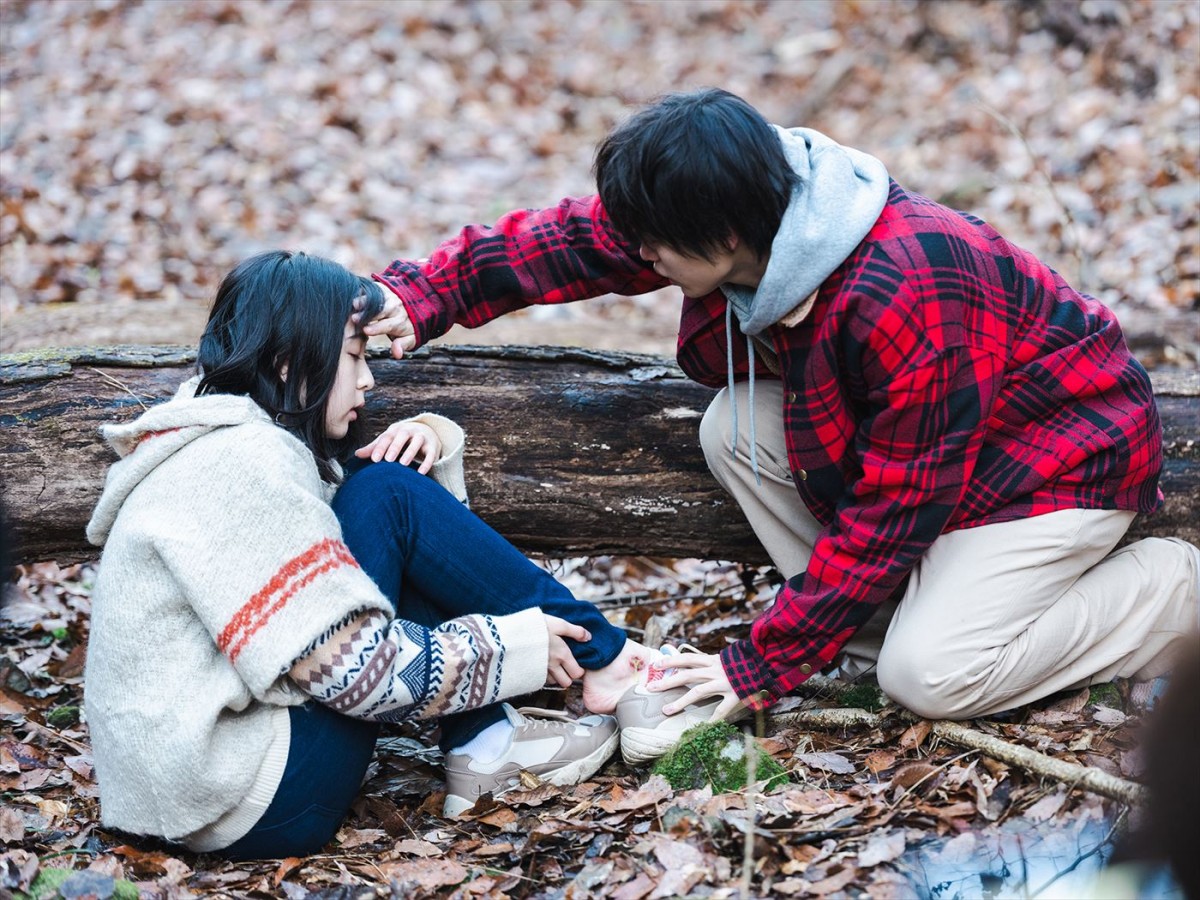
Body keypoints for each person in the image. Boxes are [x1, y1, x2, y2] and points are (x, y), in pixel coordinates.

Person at [362, 88, 1199, 759]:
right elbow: (573, 243)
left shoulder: (909, 286)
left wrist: (757, 664)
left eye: (654, 248)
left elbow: (901, 506)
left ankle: (1168, 589)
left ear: (723, 234)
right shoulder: (736, 203)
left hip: (1051, 461)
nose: (641, 257)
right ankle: (857, 638)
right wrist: (421, 295)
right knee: (734, 426)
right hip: (942, 450)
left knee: (930, 676)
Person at [83, 250, 653, 859]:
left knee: (381, 493)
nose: (367, 380)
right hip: (249, 800)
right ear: (287, 362)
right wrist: (516, 646)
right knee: (386, 497)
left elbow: (353, 562)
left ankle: (489, 743)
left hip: (199, 794)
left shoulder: (221, 445)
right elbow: (355, 675)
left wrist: (429, 445)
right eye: (354, 357)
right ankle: (610, 661)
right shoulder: (243, 463)